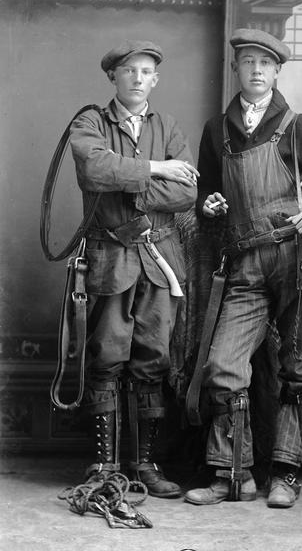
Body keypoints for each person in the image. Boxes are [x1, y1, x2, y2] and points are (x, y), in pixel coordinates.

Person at [184, 28, 302, 508]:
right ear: (236, 69)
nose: (256, 70)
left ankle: (284, 474)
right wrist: (209, 203)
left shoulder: (300, 126)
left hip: (296, 259)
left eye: (265, 62)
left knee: (299, 369)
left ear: (277, 71)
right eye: (247, 62)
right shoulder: (216, 131)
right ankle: (231, 474)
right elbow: (205, 192)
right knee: (223, 366)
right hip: (245, 263)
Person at [70, 39, 199, 498]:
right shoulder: (90, 122)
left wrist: (130, 187)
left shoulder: (168, 125)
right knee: (106, 356)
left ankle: (145, 464)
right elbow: (92, 170)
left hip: (160, 260)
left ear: (155, 80)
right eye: (130, 71)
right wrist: (158, 168)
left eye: (147, 72)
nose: (138, 79)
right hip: (110, 257)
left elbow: (187, 193)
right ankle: (104, 466)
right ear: (113, 77)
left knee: (153, 359)